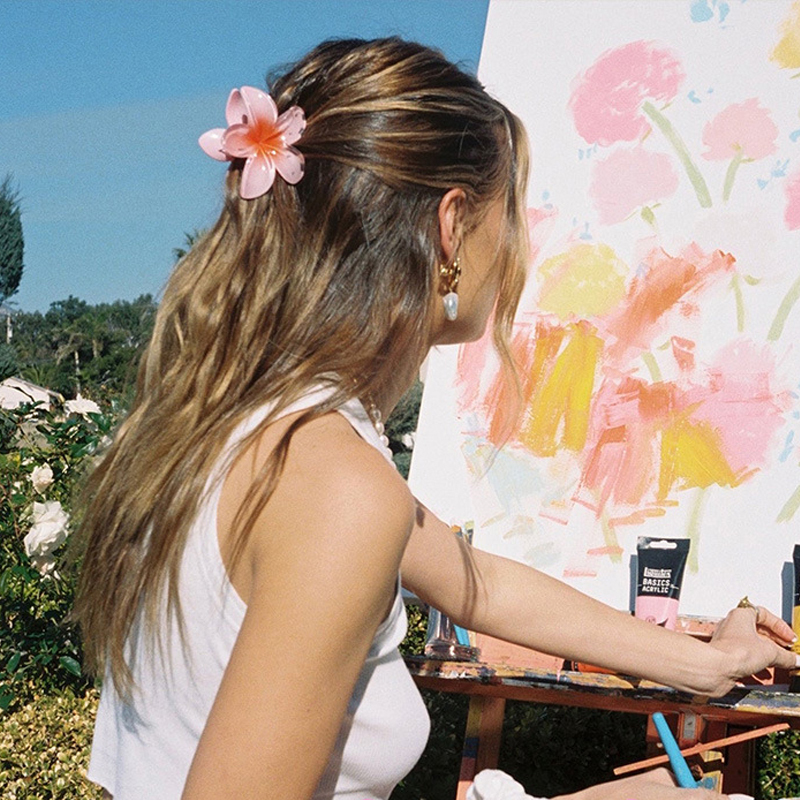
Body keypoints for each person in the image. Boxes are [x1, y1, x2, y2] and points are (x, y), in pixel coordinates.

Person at [73, 37, 799, 800]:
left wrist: (703, 662)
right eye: (512, 212)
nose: (519, 245)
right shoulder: (335, 488)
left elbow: (475, 583)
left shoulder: (244, 424)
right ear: (451, 227)